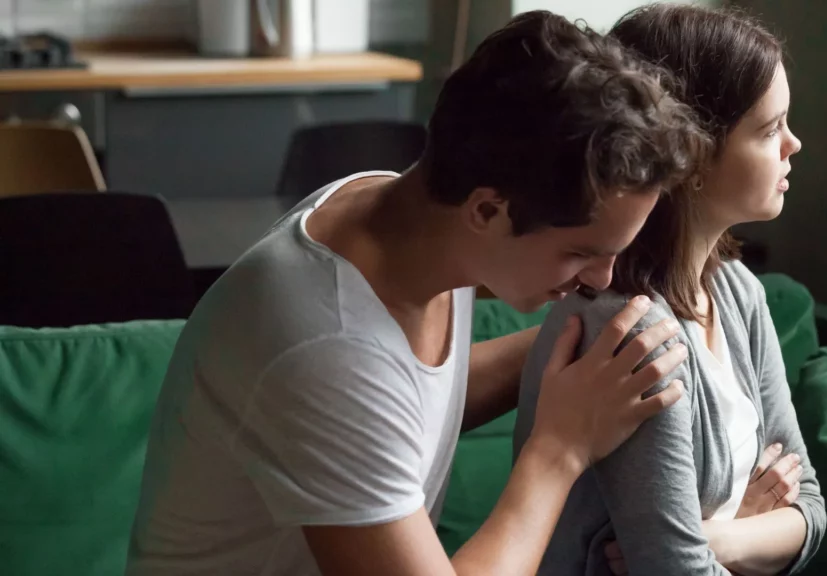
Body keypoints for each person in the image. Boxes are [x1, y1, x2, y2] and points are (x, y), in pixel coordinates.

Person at [125, 10, 708, 576]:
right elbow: (356, 380)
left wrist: (581, 351)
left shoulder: (401, 216)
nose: (601, 280)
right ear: (487, 209)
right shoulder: (322, 341)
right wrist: (561, 449)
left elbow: (401, 399)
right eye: (581, 252)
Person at [513, 4, 826, 575]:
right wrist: (748, 531)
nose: (793, 144)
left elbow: (810, 507)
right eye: (769, 128)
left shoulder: (739, 294)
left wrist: (721, 538)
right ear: (695, 155)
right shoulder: (631, 332)